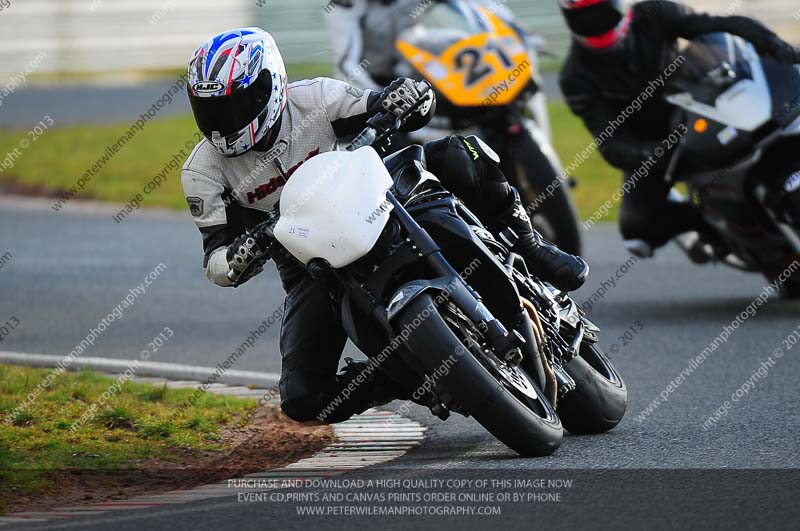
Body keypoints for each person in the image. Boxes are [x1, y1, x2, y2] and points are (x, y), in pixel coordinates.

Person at [181, 27, 588, 424]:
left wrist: (406, 96)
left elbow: (396, 105)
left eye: (235, 105)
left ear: (271, 86)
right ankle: (404, 375)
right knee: (303, 399)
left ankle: (530, 245)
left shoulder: (315, 98)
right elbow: (215, 261)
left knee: (459, 151)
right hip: (311, 262)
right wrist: (241, 255)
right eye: (210, 110)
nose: (222, 122)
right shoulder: (202, 171)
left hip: (375, 198)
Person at [558, 0, 800, 257]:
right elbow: (611, 144)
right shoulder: (575, 76)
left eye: (597, 8)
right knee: (637, 228)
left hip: (702, 109)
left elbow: (720, 25)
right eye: (584, 11)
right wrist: (658, 153)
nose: (594, 18)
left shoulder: (655, 13)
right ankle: (714, 231)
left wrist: (773, 45)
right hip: (656, 146)